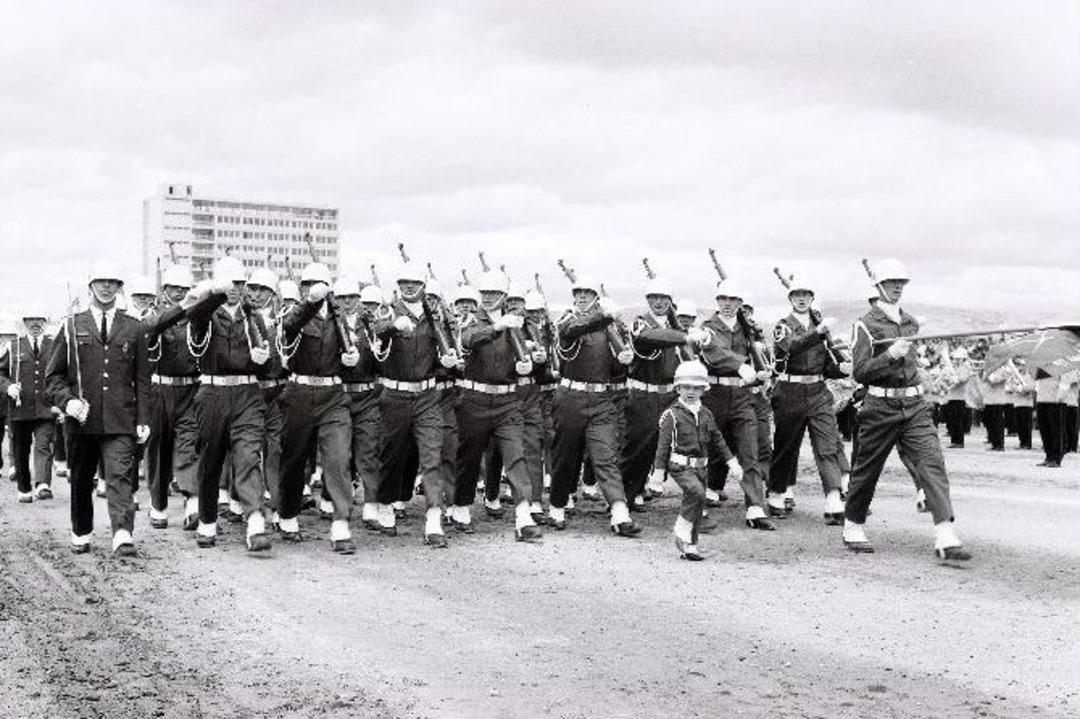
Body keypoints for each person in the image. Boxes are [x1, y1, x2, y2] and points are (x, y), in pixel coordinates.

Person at [843, 258, 970, 561]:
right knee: (867, 468)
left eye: (902, 283)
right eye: (891, 283)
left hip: (914, 404)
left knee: (932, 461)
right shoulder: (865, 324)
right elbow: (860, 372)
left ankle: (944, 532)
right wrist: (888, 356)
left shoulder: (911, 322)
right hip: (879, 405)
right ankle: (853, 524)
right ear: (878, 286)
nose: (897, 287)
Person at [45, 262, 152, 556]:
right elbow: (53, 377)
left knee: (120, 476)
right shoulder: (71, 326)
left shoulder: (134, 327)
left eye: (113, 282)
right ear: (90, 286)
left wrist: (143, 418)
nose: (106, 287)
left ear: (120, 288)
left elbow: (142, 379)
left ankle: (122, 532)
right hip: (82, 420)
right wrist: (68, 401)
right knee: (81, 478)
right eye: (101, 281)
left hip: (121, 418)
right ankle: (81, 530)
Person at [185, 257, 273, 551]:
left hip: (247, 394)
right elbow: (194, 316)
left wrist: (264, 360)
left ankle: (255, 520)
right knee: (211, 461)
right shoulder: (206, 313)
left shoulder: (253, 317)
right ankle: (208, 520)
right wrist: (214, 293)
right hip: (213, 394)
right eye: (230, 283)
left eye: (239, 283)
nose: (235, 289)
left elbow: (267, 363)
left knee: (248, 456)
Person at [450, 269, 542, 542]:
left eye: (493, 294)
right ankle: (462, 506)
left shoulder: (518, 323)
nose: (487, 298)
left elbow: (525, 356)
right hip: (474, 400)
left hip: (507, 401)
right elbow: (468, 340)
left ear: (503, 296)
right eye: (484, 294)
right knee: (468, 457)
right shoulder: (471, 319)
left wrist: (528, 362)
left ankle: (523, 515)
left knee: (516, 456)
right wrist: (497, 327)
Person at [372, 261, 457, 547]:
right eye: (403, 282)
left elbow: (445, 350)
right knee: (392, 454)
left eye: (413, 282)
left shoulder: (435, 317)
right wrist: (393, 327)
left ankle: (433, 517)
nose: (408, 286)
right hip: (394, 396)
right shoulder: (389, 311)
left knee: (432, 455)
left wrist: (447, 364)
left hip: (428, 396)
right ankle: (385, 503)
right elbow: (377, 330)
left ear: (422, 285)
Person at [276, 264, 360, 553]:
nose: (311, 287)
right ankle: (287, 512)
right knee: (294, 459)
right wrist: (311, 301)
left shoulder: (341, 318)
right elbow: (290, 326)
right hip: (299, 392)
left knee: (338, 457)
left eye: (317, 284)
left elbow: (355, 350)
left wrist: (353, 357)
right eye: (307, 284)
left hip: (333, 394)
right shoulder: (293, 314)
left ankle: (340, 522)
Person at [548, 273, 639, 536]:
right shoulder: (567, 319)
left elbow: (614, 368)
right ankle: (557, 507)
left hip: (602, 399)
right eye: (579, 293)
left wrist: (624, 359)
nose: (583, 297)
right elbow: (570, 332)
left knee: (606, 456)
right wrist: (604, 317)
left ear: (596, 297)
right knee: (566, 456)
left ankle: (620, 513)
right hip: (570, 398)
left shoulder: (608, 328)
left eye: (588, 293)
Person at [767, 275, 850, 525]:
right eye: (797, 295)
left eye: (806, 295)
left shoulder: (820, 325)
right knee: (786, 447)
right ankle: (777, 494)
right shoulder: (783, 325)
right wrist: (819, 332)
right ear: (790, 298)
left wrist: (842, 368)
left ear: (812, 298)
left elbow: (826, 364)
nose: (801, 299)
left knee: (827, 445)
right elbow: (791, 346)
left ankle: (834, 499)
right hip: (789, 391)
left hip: (817, 391)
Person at [620, 277, 703, 511]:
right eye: (653, 298)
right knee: (637, 448)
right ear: (647, 300)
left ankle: (694, 501)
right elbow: (649, 338)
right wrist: (683, 336)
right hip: (643, 395)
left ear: (669, 301)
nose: (658, 302)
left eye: (663, 298)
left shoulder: (673, 325)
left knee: (669, 446)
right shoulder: (641, 323)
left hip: (669, 395)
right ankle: (623, 498)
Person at [698, 280, 774, 530]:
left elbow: (760, 359)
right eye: (723, 299)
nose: (728, 304)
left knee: (749, 450)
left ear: (741, 303)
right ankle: (698, 503)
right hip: (714, 394)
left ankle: (755, 507)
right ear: (717, 301)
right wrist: (742, 364)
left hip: (742, 396)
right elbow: (712, 352)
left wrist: (761, 369)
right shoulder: (708, 326)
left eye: (733, 300)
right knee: (705, 450)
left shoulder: (748, 328)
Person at [653, 360, 739, 561]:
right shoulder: (671, 415)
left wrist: (731, 461)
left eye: (696, 388)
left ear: (703, 390)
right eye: (686, 387)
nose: (691, 392)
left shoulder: (706, 414)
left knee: (698, 505)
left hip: (702, 467)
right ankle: (681, 529)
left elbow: (717, 439)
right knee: (697, 493)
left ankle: (690, 545)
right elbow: (662, 446)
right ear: (678, 388)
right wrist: (658, 473)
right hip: (680, 465)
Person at [0, 309, 57, 503]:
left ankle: (42, 484)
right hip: (20, 409)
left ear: (45, 322)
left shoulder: (54, 345)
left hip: (46, 407)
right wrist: (8, 387)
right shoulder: (14, 346)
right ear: (25, 322)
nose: (35, 323)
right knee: (21, 450)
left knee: (43, 446)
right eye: (30, 319)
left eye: (39, 319)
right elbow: (1, 374)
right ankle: (24, 488)